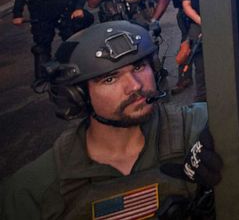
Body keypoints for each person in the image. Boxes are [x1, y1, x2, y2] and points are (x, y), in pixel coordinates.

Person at [0, 21, 222, 219]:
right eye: (109, 78)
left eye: (138, 66)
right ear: (78, 96)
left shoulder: (202, 126)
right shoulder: (31, 190)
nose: (135, 85)